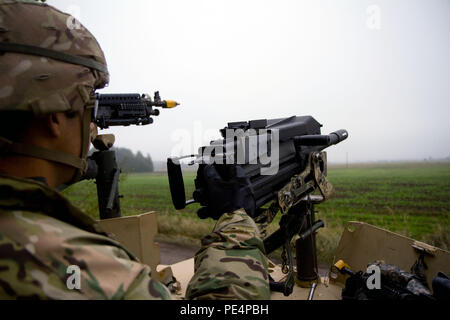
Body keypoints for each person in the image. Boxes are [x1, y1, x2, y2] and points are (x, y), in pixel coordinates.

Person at [0, 0, 270, 300]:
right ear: (53, 116)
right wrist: (236, 221)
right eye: (89, 101)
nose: (92, 121)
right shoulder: (84, 271)